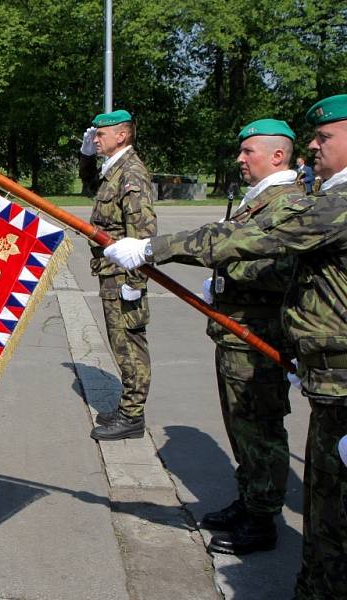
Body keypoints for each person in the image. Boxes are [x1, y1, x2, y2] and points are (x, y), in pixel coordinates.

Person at [102, 94, 347, 600]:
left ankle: (267, 522)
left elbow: (256, 247)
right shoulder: (307, 197)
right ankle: (260, 511)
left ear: (275, 157)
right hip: (312, 362)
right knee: (267, 449)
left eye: (323, 138)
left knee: (312, 492)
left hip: (281, 349)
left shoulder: (316, 204)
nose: (312, 146)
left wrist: (152, 250)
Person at [198, 119, 299, 555]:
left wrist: (226, 276)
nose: (240, 159)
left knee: (261, 429)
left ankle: (262, 518)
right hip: (236, 334)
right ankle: (250, 498)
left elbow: (280, 270)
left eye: (249, 151)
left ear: (278, 155)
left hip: (260, 337)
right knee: (241, 427)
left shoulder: (289, 203)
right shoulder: (258, 198)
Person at [79, 109, 157, 441]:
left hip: (123, 278)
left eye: (100, 135)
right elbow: (88, 185)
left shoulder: (132, 175)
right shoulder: (115, 171)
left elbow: (143, 235)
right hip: (111, 274)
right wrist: (85, 155)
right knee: (119, 343)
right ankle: (127, 407)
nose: (96, 139)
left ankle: (132, 416)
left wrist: (135, 286)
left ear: (121, 136)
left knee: (130, 346)